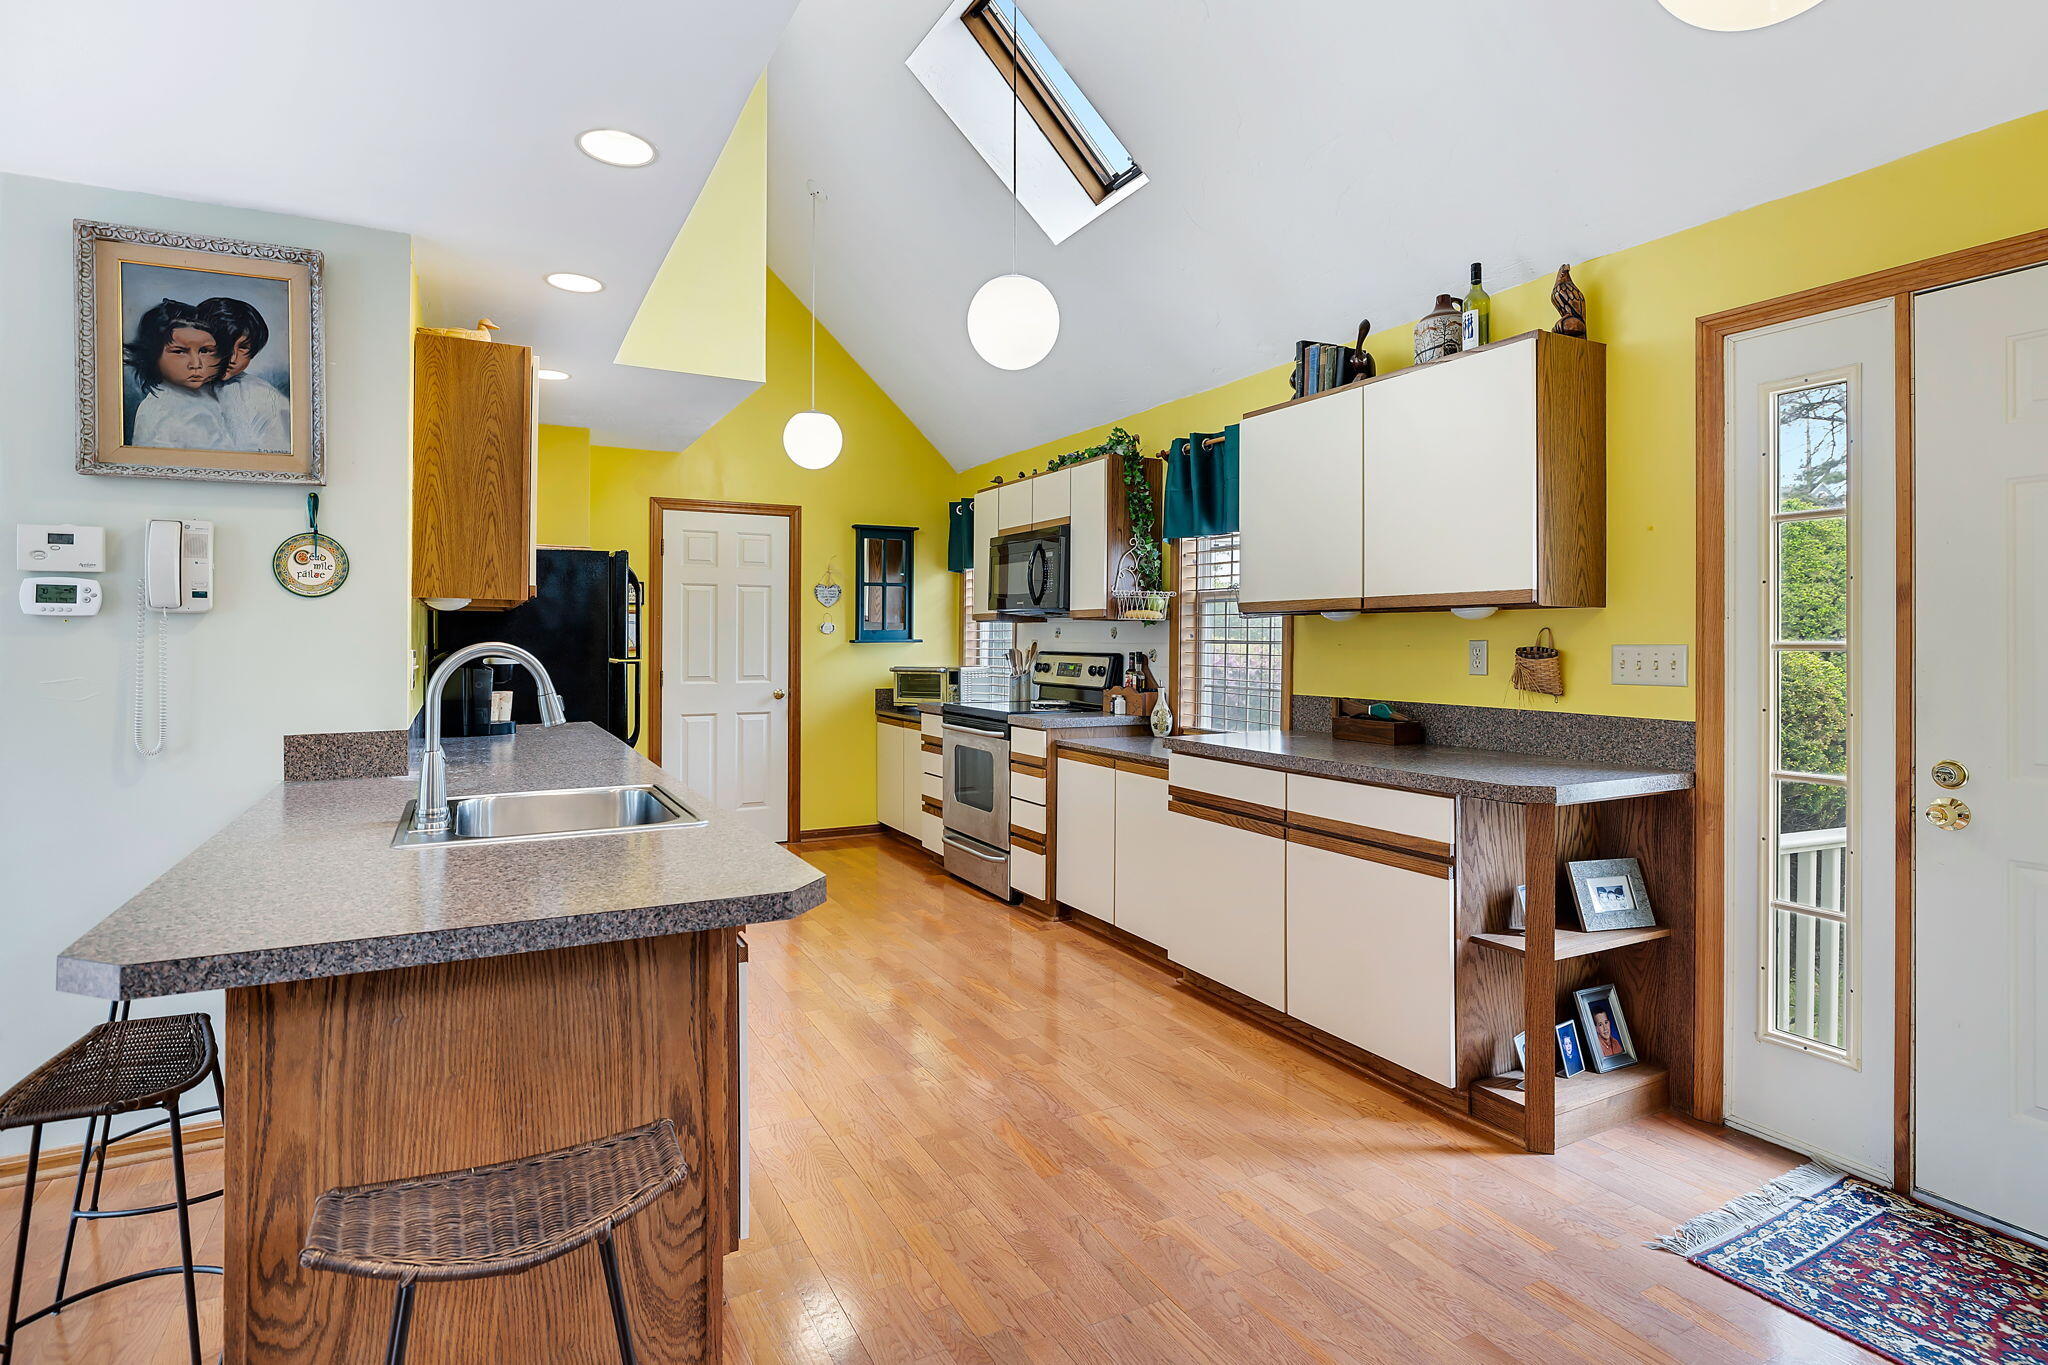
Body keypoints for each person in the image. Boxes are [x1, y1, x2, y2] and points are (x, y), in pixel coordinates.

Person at [124, 299, 231, 450]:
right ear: (153, 354)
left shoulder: (218, 392)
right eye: (180, 351)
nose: (196, 364)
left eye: (205, 351)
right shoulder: (160, 411)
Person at [198, 295, 290, 453]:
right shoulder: (173, 392)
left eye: (243, 347)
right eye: (224, 344)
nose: (232, 358)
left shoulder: (263, 396)